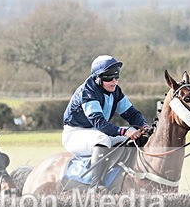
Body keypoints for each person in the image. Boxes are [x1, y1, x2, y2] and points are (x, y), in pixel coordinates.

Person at [62, 55, 152, 187]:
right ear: (97, 78)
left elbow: (132, 114)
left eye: (116, 77)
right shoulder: (88, 91)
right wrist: (124, 131)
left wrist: (144, 126)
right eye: (109, 78)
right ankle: (96, 185)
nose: (114, 82)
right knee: (102, 139)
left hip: (98, 131)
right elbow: (99, 123)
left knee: (132, 137)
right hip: (75, 134)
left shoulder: (115, 91)